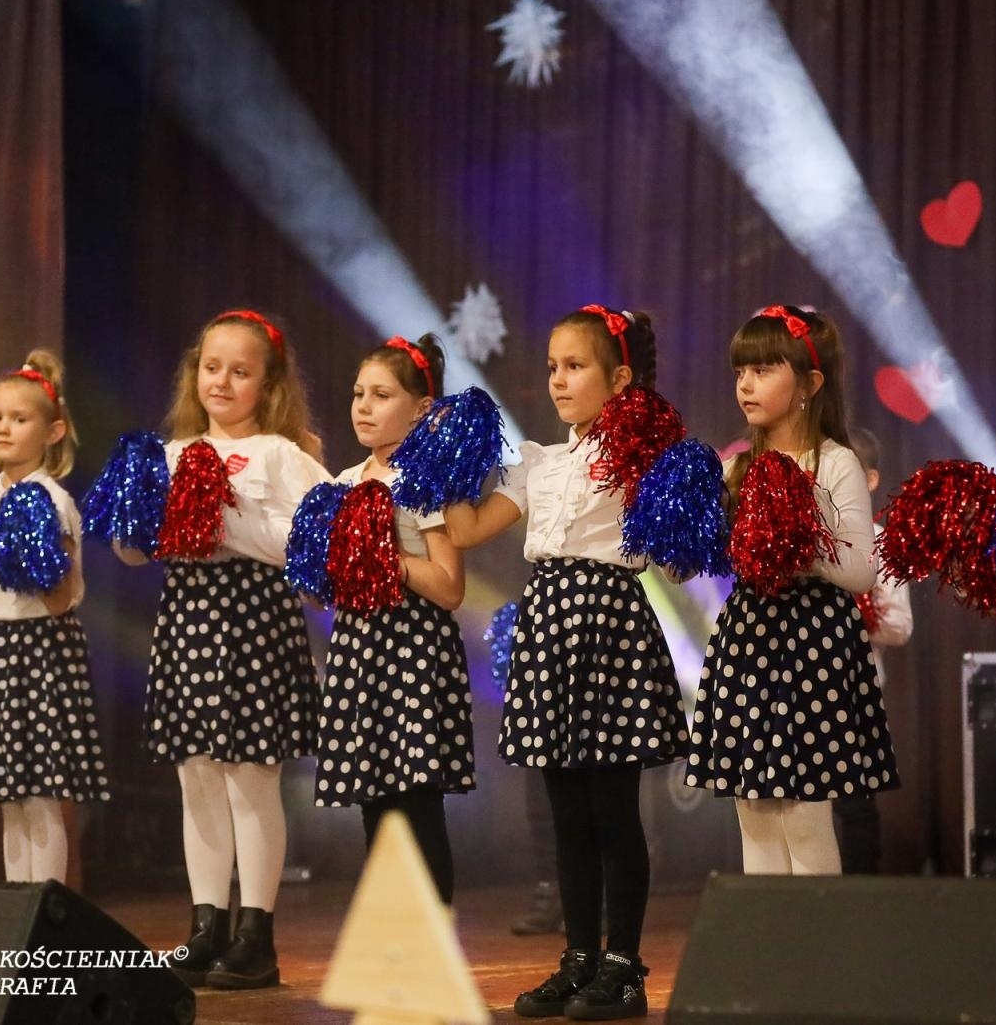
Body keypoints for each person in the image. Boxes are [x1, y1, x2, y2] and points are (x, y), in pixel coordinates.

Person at [443, 304, 685, 1020]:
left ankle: (624, 968)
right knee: (567, 815)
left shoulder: (642, 456)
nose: (557, 380)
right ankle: (579, 960)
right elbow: (467, 528)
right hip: (548, 627)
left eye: (574, 366)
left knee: (614, 812)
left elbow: (677, 552)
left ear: (620, 379)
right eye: (552, 366)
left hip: (610, 626)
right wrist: (444, 467)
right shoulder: (539, 462)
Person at [114, 309, 328, 989]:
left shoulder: (283, 456)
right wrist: (135, 511)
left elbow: (315, 551)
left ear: (268, 384)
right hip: (189, 621)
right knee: (197, 777)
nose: (223, 382)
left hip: (255, 622)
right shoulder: (172, 454)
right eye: (212, 368)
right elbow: (133, 552)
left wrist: (221, 514)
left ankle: (255, 936)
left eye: (240, 372)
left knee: (248, 778)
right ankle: (205, 927)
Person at [686, 306, 900, 876]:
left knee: (805, 818)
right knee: (754, 814)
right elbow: (696, 564)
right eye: (740, 372)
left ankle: (815, 933)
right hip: (749, 639)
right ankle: (768, 934)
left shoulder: (836, 462)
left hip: (813, 643)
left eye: (762, 370)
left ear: (809, 384)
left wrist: (796, 535)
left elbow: (859, 572)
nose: (746, 385)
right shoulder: (736, 468)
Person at [313, 334, 473, 905]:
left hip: (412, 650)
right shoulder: (345, 482)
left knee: (416, 804)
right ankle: (393, 937)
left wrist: (388, 558)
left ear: (421, 407)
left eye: (381, 395)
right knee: (375, 804)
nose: (363, 406)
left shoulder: (424, 481)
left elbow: (449, 586)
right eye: (359, 393)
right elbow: (326, 590)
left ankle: (433, 939)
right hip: (360, 649)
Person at [0, 350, 110, 883]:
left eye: (19, 419)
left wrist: (34, 547)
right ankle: (15, 912)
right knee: (10, 797)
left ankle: (45, 910)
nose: (4, 428)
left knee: (42, 794)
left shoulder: (54, 500)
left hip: (45, 647)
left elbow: (59, 600)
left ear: (52, 431)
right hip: (0, 650)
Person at [835, 426, 914, 874]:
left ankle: (860, 892)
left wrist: (860, 611)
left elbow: (901, 626)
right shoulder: (812, 535)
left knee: (855, 801)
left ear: (869, 480)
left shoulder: (882, 542)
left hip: (858, 691)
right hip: (801, 686)